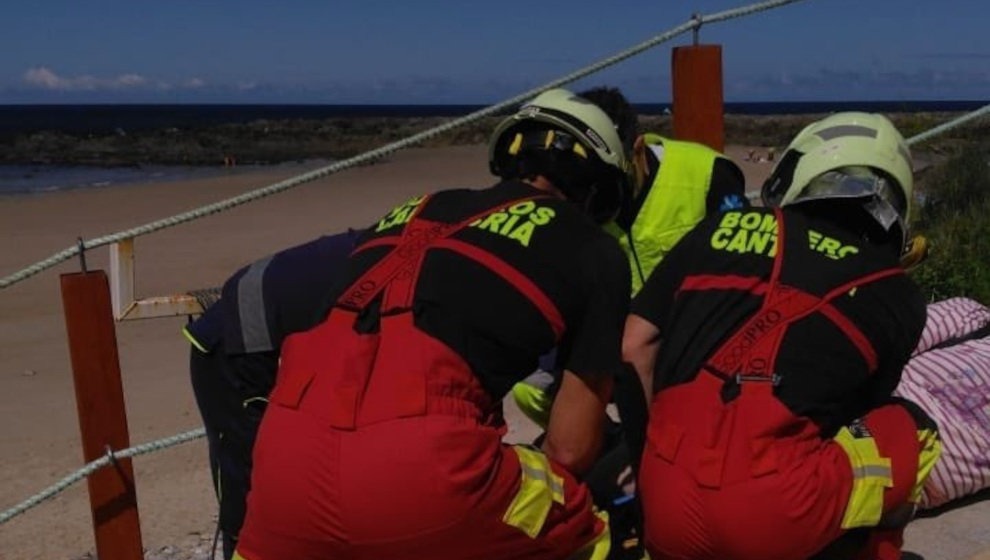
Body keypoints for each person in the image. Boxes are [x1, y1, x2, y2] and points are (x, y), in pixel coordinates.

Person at [232, 88, 631, 560]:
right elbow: (569, 448)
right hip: (423, 474)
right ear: (599, 189)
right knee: (589, 530)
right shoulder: (595, 250)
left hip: (282, 469)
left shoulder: (415, 209)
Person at [623, 112, 942, 560]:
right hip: (772, 520)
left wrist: (649, 475)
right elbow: (856, 410)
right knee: (913, 426)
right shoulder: (897, 291)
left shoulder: (714, 228)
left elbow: (634, 347)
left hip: (666, 504)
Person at [184, 230, 360, 558]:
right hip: (231, 349)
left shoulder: (390, 248)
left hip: (269, 334)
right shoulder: (399, 257)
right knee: (248, 496)